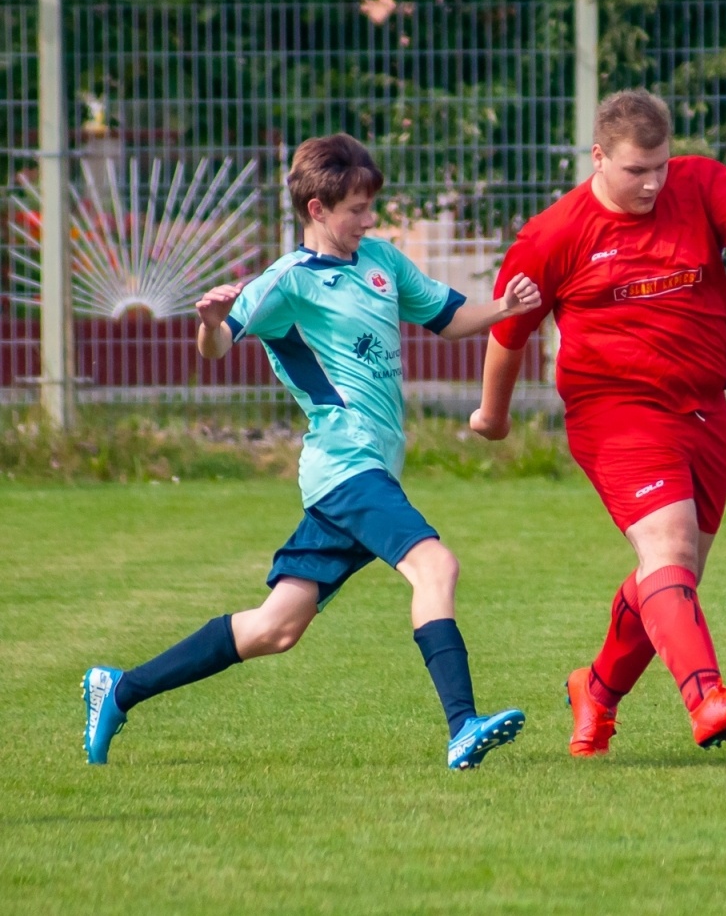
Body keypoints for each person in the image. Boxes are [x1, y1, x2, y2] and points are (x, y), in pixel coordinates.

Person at [82, 133, 541, 770]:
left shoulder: (380, 261)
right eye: (355, 208)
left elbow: (447, 317)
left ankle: (118, 688)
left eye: (369, 206)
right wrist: (212, 322)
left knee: (276, 628)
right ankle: (463, 726)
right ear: (317, 209)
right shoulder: (285, 283)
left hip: (360, 475)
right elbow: (215, 349)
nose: (368, 219)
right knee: (437, 568)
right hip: (346, 467)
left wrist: (505, 307)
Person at [471, 89, 726, 755]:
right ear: (598, 157)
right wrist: (493, 415)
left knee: (673, 575)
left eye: (660, 165)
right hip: (614, 410)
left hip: (704, 409)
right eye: (635, 170)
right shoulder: (555, 233)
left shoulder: (703, 182)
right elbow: (508, 333)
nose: (652, 182)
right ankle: (706, 700)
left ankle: (595, 690)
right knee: (669, 552)